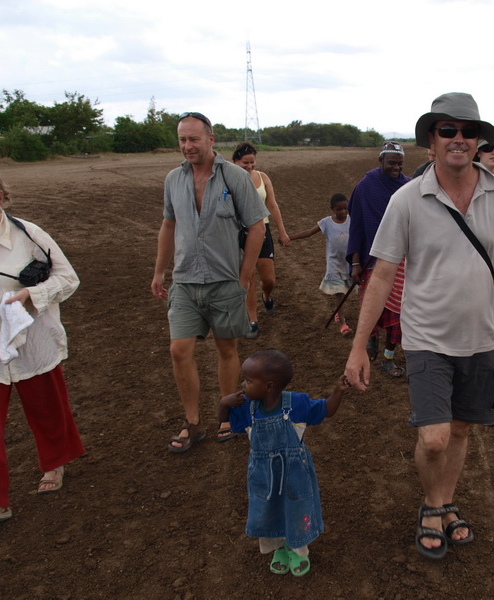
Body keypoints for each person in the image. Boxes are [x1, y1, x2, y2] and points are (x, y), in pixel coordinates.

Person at [344, 92, 494, 560]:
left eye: (468, 131)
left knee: (460, 430)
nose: (458, 139)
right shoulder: (408, 199)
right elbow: (384, 273)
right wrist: (358, 345)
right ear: (431, 140)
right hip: (427, 335)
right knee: (433, 437)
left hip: (481, 336)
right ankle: (432, 504)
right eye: (447, 130)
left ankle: (444, 501)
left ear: (478, 140)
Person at [151, 112, 267, 452]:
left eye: (194, 139)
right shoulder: (173, 179)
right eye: (182, 140)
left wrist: (245, 275)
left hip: (225, 280)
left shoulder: (234, 177)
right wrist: (159, 272)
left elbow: (257, 227)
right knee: (179, 350)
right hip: (185, 280)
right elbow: (168, 226)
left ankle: (228, 414)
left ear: (210, 139)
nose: (187, 146)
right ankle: (192, 422)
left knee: (226, 348)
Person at [217, 350, 350, 576]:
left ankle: (297, 550)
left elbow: (326, 410)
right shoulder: (247, 408)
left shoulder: (297, 403)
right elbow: (224, 421)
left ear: (269, 386)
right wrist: (223, 403)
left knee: (297, 509)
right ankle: (278, 548)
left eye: (248, 380)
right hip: (263, 475)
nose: (243, 384)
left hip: (294, 473)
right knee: (268, 511)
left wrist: (338, 391)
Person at [0, 176, 84, 522]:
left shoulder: (29, 234)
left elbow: (68, 278)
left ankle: (55, 463)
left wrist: (29, 295)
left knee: (47, 408)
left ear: (1, 197)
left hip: (32, 337)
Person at [346, 141, 411, 378]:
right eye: (392, 163)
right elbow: (358, 228)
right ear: (380, 161)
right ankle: (370, 339)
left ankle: (388, 358)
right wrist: (355, 262)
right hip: (372, 261)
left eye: (400, 164)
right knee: (370, 307)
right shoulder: (365, 187)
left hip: (402, 262)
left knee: (398, 315)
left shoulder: (408, 187)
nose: (396, 168)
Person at [231, 142, 290, 339]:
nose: (249, 166)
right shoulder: (230, 179)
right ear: (235, 162)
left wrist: (281, 231)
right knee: (248, 278)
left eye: (252, 163)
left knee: (268, 279)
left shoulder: (263, 177)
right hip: (240, 231)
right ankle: (252, 319)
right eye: (244, 163)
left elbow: (272, 205)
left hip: (262, 230)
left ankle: (267, 297)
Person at [290, 193, 354, 337]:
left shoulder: (352, 220)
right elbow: (309, 232)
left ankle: (338, 311)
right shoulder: (326, 223)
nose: (343, 212)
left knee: (346, 290)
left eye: (345, 209)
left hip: (348, 262)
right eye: (339, 209)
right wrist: (290, 238)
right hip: (334, 264)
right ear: (332, 209)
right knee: (339, 292)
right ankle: (343, 323)